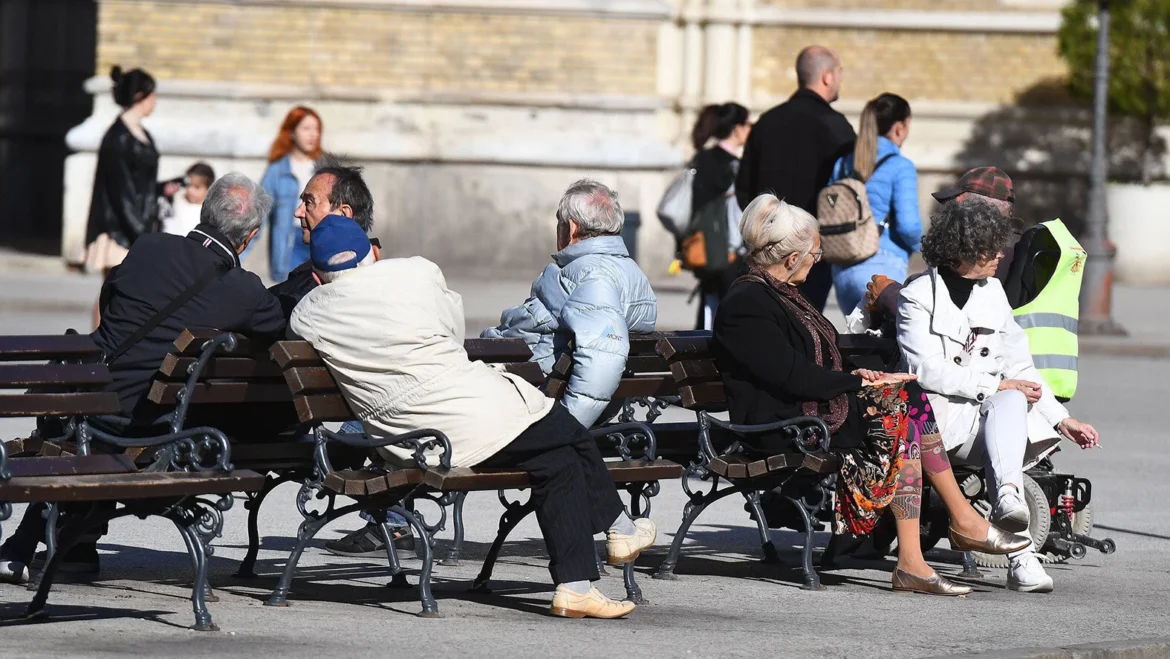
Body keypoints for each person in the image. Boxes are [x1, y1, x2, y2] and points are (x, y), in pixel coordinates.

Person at [290, 216, 656, 619]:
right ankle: (620, 527)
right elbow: (452, 329)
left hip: (406, 437)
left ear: (318, 276)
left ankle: (575, 587)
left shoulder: (307, 313)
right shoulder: (416, 273)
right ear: (373, 253)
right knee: (560, 425)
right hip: (467, 417)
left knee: (557, 460)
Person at [714, 194, 1030, 596]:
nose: (818, 259)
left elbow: (809, 364)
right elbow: (790, 374)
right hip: (780, 426)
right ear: (791, 258)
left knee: (905, 397)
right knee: (901, 407)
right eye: (815, 252)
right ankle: (949, 532)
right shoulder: (748, 302)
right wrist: (858, 384)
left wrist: (859, 375)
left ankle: (927, 551)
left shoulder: (780, 293)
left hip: (805, 409)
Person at [0, 173, 287, 584]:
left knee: (89, 425)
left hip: (87, 405)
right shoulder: (245, 292)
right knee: (115, 419)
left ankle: (63, 546)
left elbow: (111, 297)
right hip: (151, 426)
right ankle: (70, 545)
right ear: (250, 237)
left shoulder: (149, 246)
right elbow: (277, 326)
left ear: (204, 212)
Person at [896, 198, 1101, 593]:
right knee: (1003, 404)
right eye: (990, 247)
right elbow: (925, 369)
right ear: (963, 250)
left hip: (983, 420)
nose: (1001, 254)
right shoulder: (918, 295)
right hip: (933, 425)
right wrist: (993, 385)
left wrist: (1062, 419)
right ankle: (1021, 558)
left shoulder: (991, 292)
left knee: (1010, 403)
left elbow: (1021, 368)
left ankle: (1009, 506)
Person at [259, 156, 412, 557]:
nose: (297, 211)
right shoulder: (393, 281)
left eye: (309, 202)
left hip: (328, 429)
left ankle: (393, 521)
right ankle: (393, 521)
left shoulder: (318, 293)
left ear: (342, 214)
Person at [481, 179, 657, 428]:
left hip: (531, 393)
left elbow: (604, 354)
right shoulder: (630, 273)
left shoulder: (593, 276)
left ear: (571, 228)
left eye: (559, 223)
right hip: (531, 382)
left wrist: (568, 428)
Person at [735, 45, 855, 313]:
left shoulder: (766, 122)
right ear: (827, 76)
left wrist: (765, 227)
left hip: (765, 248)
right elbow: (850, 193)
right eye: (839, 74)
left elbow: (744, 187)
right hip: (811, 255)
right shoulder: (837, 127)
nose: (839, 81)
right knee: (806, 324)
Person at [83, 66, 182, 327]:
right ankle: (96, 346)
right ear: (139, 96)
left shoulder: (140, 133)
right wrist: (143, 236)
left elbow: (139, 186)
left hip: (136, 224)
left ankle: (106, 346)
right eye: (151, 95)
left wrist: (163, 189)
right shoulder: (118, 137)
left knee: (123, 291)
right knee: (111, 290)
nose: (155, 101)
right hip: (118, 229)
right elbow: (121, 193)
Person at [827, 93, 922, 315]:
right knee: (883, 346)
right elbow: (908, 226)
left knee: (856, 342)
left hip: (842, 269)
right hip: (882, 268)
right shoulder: (900, 166)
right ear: (899, 128)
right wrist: (926, 247)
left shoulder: (843, 163)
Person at [687, 103, 751, 329]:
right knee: (729, 311)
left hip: (703, 245)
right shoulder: (733, 166)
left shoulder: (702, 158)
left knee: (708, 307)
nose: (750, 129)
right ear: (737, 128)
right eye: (747, 124)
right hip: (728, 249)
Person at [249, 106, 324, 283]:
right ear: (291, 132)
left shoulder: (325, 169)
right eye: (306, 129)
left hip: (319, 240)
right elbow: (257, 217)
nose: (313, 134)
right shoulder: (277, 171)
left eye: (316, 129)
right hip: (289, 244)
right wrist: (234, 257)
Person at [160, 162, 216, 237]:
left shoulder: (208, 214)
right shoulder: (177, 200)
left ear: (209, 189)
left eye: (197, 187)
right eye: (188, 185)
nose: (190, 190)